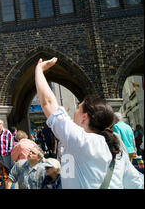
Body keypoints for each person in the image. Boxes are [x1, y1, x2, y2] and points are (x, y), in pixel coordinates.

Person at [35, 57, 144, 188]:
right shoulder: (116, 147)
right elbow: (136, 183)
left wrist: (39, 70)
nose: (74, 112)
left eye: (78, 108)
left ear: (84, 117)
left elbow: (47, 103)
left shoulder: (81, 140)